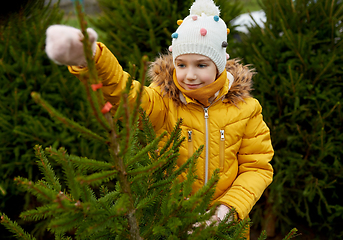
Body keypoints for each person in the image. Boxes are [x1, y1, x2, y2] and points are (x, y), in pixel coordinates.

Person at [45, 0, 274, 238]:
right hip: (169, 224)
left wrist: (228, 209)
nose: (190, 75)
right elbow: (126, 97)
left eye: (201, 64)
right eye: (181, 64)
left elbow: (257, 168)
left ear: (218, 65)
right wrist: (94, 59)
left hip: (226, 230)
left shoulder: (246, 109)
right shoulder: (163, 101)